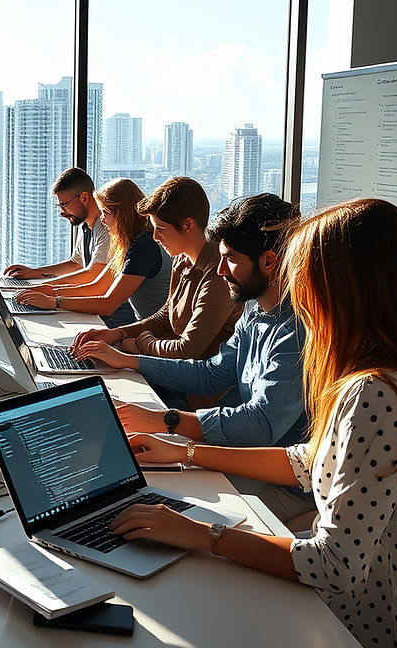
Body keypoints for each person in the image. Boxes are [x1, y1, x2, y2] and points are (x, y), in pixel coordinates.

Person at [112, 198, 397, 648]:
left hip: (362, 641)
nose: (297, 295)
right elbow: (307, 461)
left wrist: (205, 535)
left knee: (191, 620)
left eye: (305, 279)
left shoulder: (375, 393)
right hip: (371, 616)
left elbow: (335, 565)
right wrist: (184, 452)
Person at [100, 193, 311, 521]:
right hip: (242, 456)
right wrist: (130, 361)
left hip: (282, 484)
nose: (222, 270)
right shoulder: (255, 307)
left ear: (269, 261)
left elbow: (260, 426)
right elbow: (213, 373)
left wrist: (167, 421)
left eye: (231, 259)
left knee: (165, 507)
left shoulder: (296, 331)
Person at [71, 177, 241, 369]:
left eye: (160, 229)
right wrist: (118, 334)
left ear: (188, 225)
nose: (155, 237)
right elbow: (165, 317)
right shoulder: (182, 259)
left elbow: (189, 350)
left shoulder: (218, 273)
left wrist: (139, 345)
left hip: (195, 391)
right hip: (171, 368)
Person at [16, 177, 171, 324]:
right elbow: (97, 286)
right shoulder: (129, 243)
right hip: (146, 328)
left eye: (106, 212)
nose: (102, 219)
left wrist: (55, 300)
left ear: (123, 214)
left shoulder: (143, 247)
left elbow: (107, 303)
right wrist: (49, 291)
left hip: (157, 334)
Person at [3, 167, 109, 283]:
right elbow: (76, 263)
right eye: (59, 207)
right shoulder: (84, 223)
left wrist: (43, 288)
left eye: (65, 205)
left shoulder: (107, 227)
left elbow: (93, 274)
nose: (62, 213)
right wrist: (34, 272)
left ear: (84, 198)